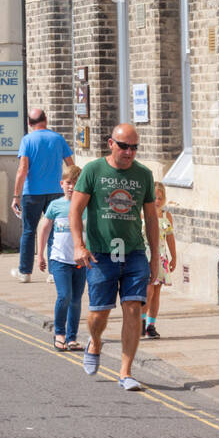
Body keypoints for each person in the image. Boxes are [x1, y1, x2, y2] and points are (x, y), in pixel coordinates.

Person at [70, 122, 158, 391]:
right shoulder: (93, 171)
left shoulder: (144, 175)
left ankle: (125, 372)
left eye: (134, 147)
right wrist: (78, 245)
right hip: (101, 254)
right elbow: (75, 210)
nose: (129, 152)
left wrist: (155, 258)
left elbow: (152, 217)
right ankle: (95, 342)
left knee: (133, 310)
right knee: (99, 313)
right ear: (111, 143)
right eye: (124, 146)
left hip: (133, 253)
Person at [10, 108, 73, 283]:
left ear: (29, 123)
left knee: (29, 231)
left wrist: (16, 195)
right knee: (54, 230)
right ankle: (54, 273)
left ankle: (25, 272)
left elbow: (22, 170)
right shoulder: (58, 139)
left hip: (32, 193)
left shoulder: (27, 140)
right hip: (56, 191)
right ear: (46, 119)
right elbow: (71, 166)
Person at [37, 164, 86, 351]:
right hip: (59, 259)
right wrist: (40, 254)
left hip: (80, 260)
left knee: (76, 299)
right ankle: (59, 334)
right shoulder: (55, 205)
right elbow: (44, 229)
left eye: (76, 183)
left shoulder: (85, 206)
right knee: (64, 295)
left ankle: (72, 337)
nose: (72, 186)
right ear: (61, 184)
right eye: (68, 183)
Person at [142, 182, 176, 339]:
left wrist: (174, 257)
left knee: (156, 293)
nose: (157, 201)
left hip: (161, 257)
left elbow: (170, 237)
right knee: (147, 292)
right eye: (154, 197)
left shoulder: (166, 216)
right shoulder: (141, 214)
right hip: (146, 255)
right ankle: (140, 323)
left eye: (160, 198)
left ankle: (151, 325)